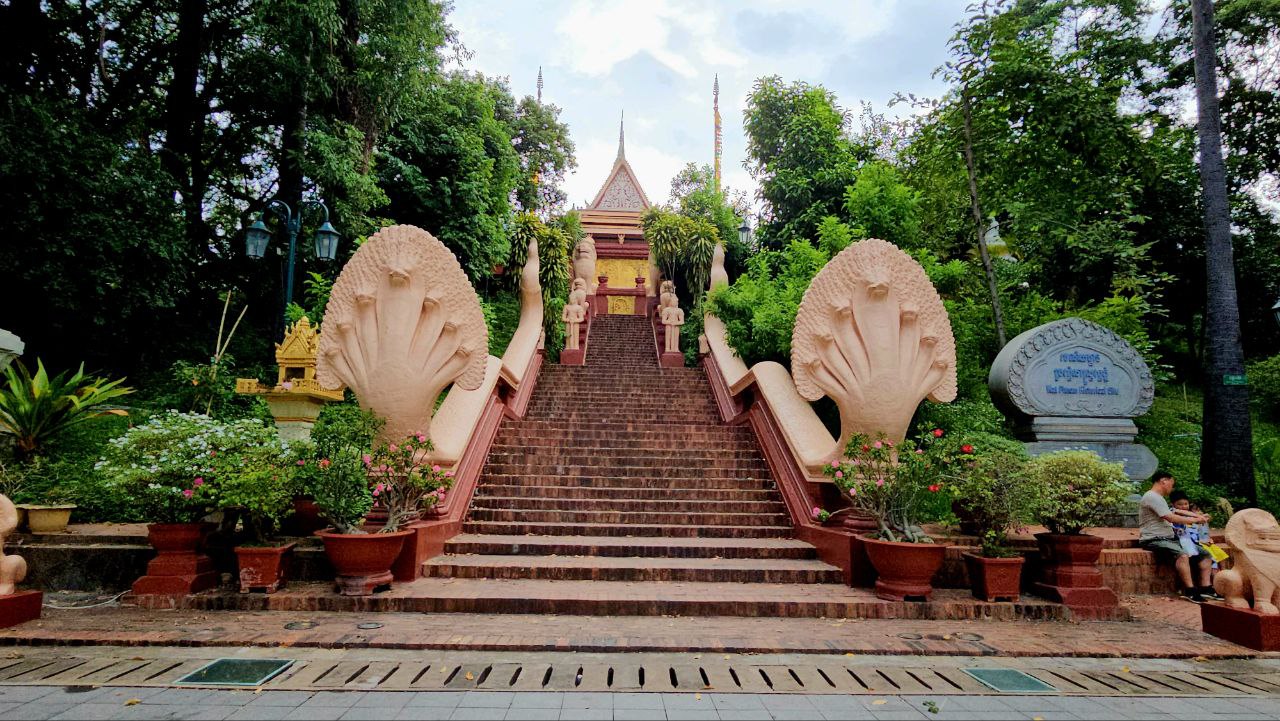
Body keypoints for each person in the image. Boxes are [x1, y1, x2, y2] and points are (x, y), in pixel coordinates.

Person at [1139, 472, 1216, 602]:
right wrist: (1195, 520)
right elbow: (1170, 517)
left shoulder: (1158, 498)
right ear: (1163, 481)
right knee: (1182, 555)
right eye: (1171, 484)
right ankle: (1190, 591)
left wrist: (1197, 516)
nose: (1172, 487)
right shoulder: (1151, 497)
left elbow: (1176, 511)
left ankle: (1206, 588)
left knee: (1205, 554)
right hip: (1154, 539)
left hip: (1170, 538)